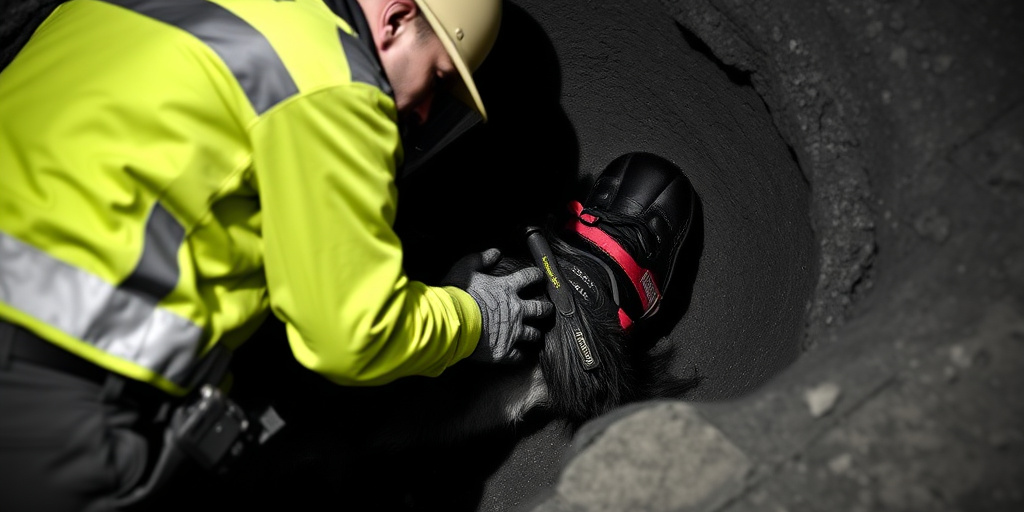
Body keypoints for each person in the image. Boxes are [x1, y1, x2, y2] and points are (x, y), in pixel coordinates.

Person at [0, 0, 554, 510]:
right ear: (396, 19)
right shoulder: (332, 82)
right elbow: (353, 333)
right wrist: (472, 318)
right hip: (54, 387)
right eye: (438, 79)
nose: (425, 111)